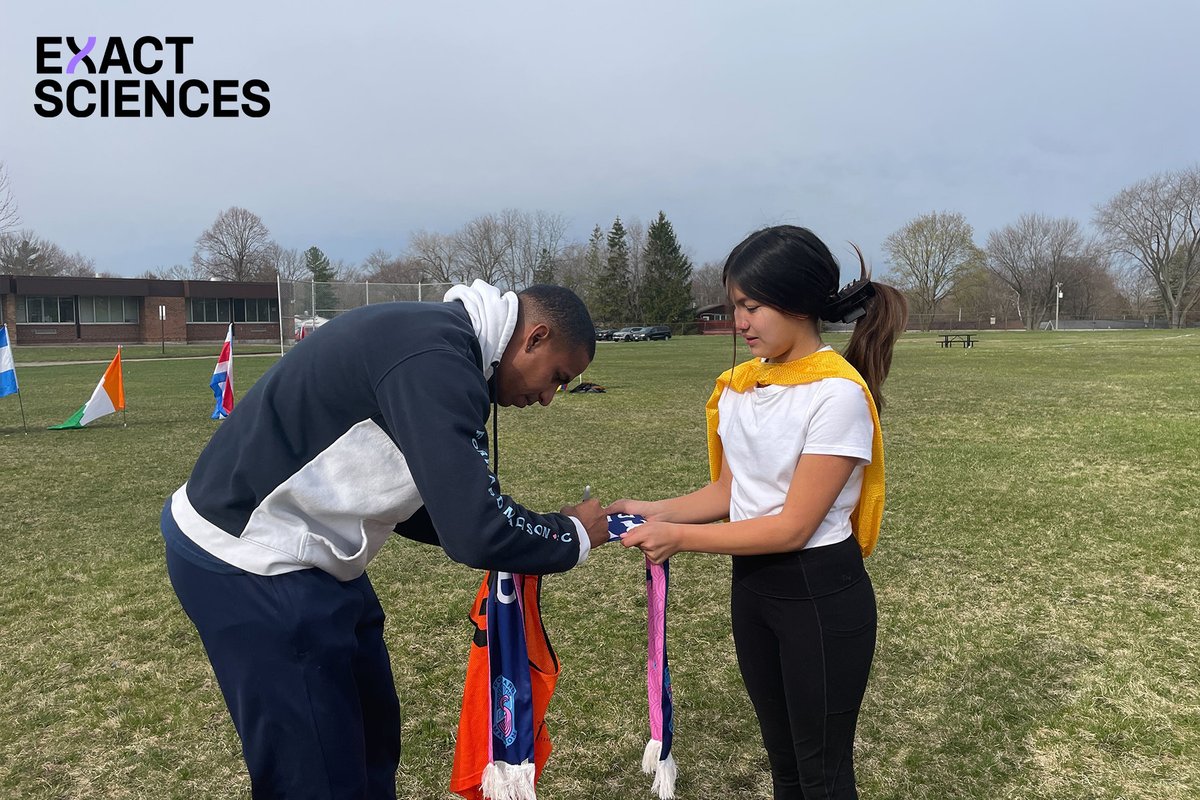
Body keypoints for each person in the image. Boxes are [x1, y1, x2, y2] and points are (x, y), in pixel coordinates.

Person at [161, 280, 609, 799]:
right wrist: (573, 534)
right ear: (535, 336)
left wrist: (517, 528)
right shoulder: (437, 360)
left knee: (371, 743)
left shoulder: (445, 345)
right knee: (317, 777)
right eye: (558, 376)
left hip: (311, 551)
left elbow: (439, 506)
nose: (551, 397)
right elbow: (473, 529)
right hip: (251, 559)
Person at [607, 226, 908, 799]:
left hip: (818, 594)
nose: (739, 322)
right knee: (785, 766)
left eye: (751, 306)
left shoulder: (836, 394)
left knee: (822, 773)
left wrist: (679, 538)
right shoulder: (743, 386)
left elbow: (794, 526)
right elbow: (730, 492)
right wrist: (649, 510)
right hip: (755, 591)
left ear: (798, 303)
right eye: (734, 307)